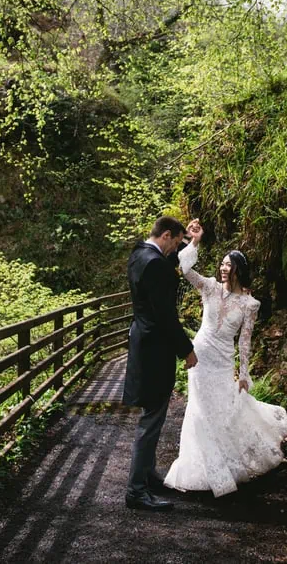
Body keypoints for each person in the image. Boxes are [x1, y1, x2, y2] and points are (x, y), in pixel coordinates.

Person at [164, 219, 287, 497]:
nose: (222, 268)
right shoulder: (208, 287)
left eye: (227, 265)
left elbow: (244, 342)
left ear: (238, 270)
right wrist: (194, 241)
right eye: (221, 263)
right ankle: (203, 471)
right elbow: (185, 269)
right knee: (198, 412)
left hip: (222, 363)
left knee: (221, 412)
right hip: (199, 358)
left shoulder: (249, 304)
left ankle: (228, 465)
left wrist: (244, 373)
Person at [123, 216, 199, 511]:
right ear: (166, 235)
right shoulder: (155, 264)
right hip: (155, 349)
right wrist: (186, 350)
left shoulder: (139, 254)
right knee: (151, 419)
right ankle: (136, 491)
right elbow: (166, 315)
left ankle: (147, 475)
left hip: (143, 342)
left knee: (151, 414)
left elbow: (166, 267)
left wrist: (192, 241)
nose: (175, 249)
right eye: (176, 242)